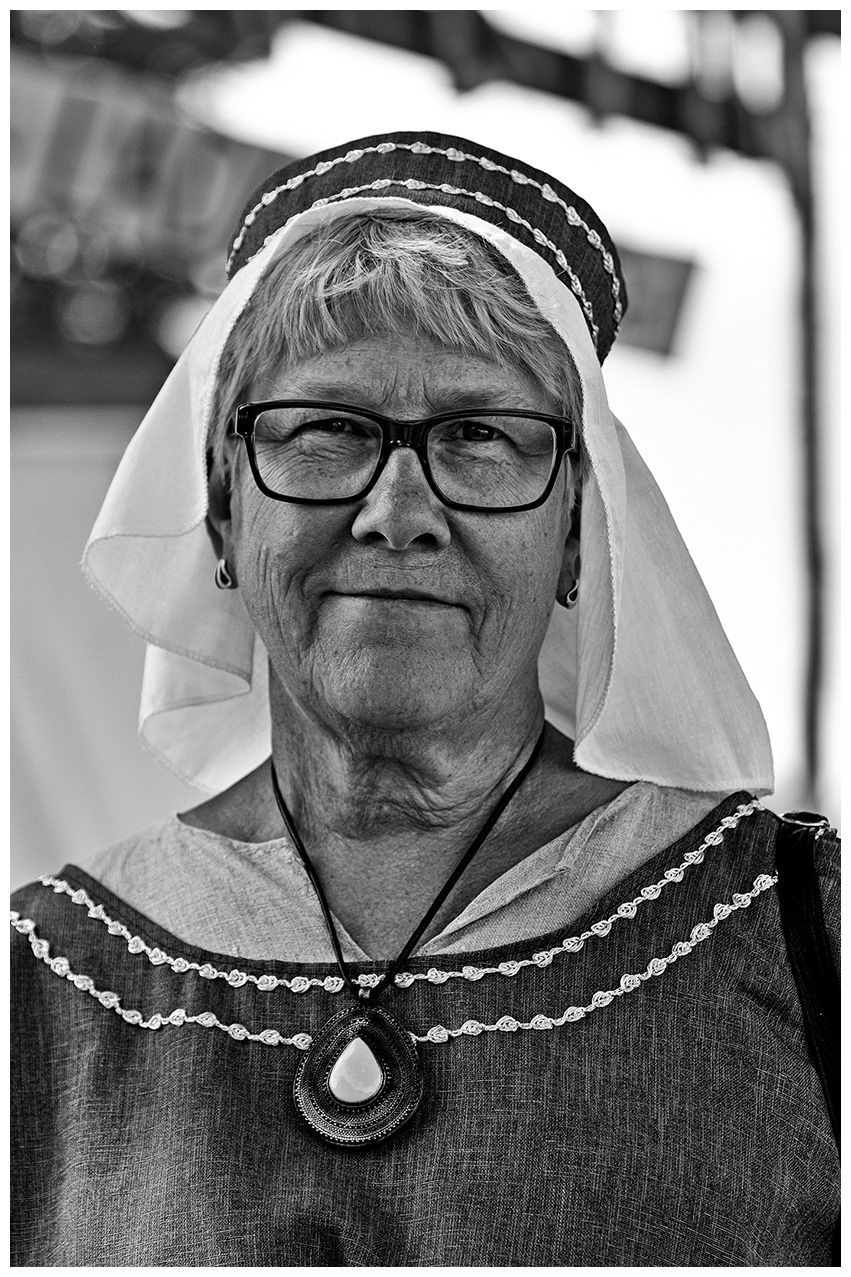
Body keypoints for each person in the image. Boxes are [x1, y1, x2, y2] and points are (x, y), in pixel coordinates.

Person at [11, 131, 838, 1266]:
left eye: (479, 435)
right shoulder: (39, 989)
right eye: (327, 429)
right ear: (223, 508)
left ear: (576, 532)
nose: (397, 511)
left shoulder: (801, 937)